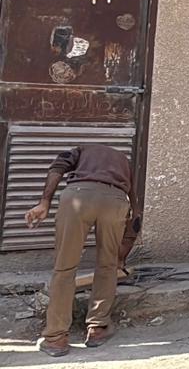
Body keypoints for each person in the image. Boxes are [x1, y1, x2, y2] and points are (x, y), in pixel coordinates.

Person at [24, 145, 138, 357]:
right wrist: (122, 256)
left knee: (64, 268)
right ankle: (98, 328)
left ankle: (56, 338)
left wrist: (44, 202)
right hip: (116, 201)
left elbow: (57, 167)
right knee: (108, 266)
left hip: (78, 196)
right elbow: (135, 212)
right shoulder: (124, 162)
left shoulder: (80, 150)